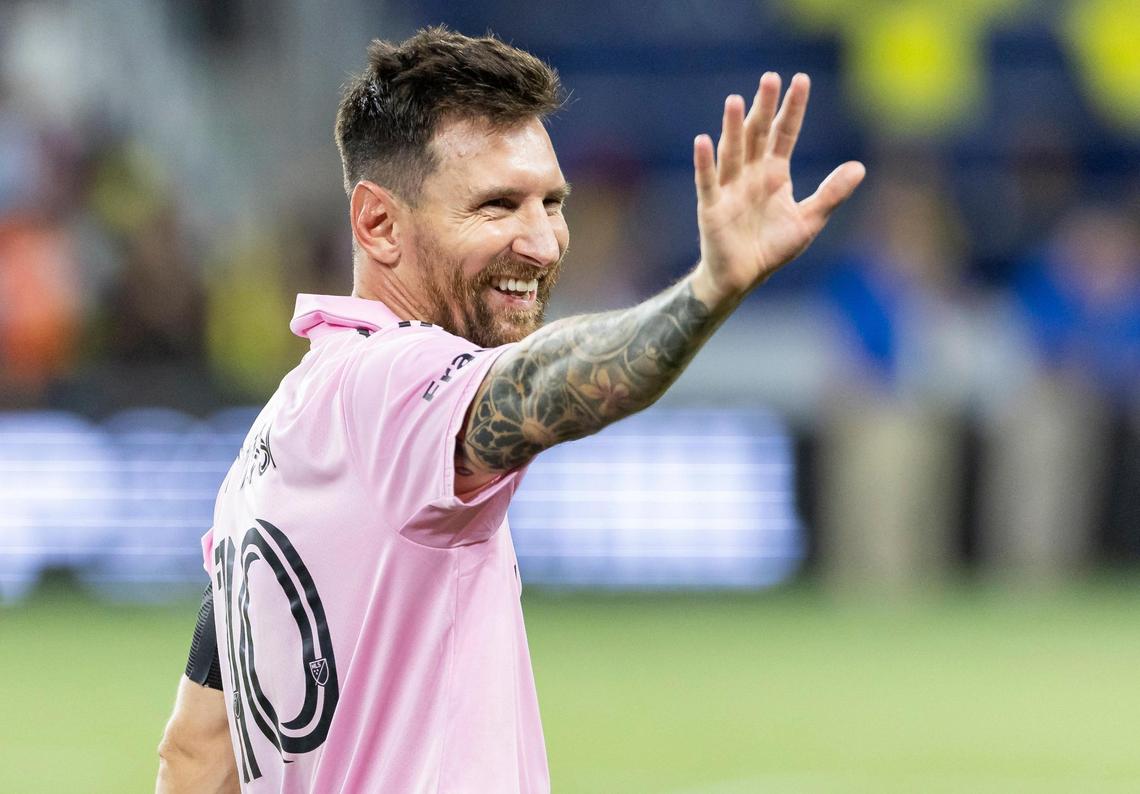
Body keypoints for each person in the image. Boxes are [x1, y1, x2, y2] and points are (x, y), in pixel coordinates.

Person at [155, 26, 864, 794]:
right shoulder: (391, 383)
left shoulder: (275, 441)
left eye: (551, 202)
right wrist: (707, 291)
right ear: (378, 224)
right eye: (498, 205)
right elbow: (541, 384)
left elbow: (196, 753)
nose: (542, 242)